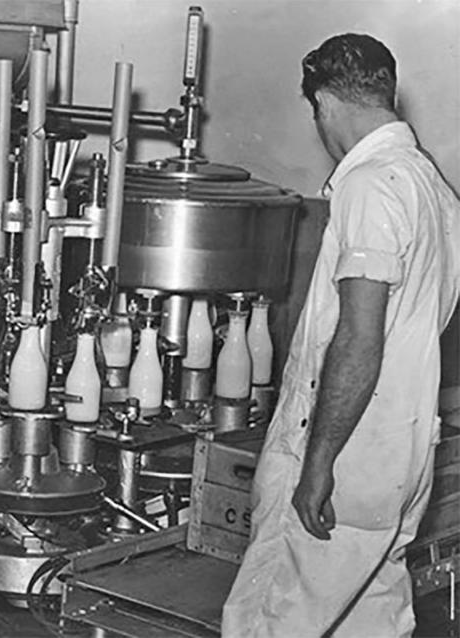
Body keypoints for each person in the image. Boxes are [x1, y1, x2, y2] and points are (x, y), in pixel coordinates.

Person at [222, 34, 460, 636]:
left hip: (347, 457)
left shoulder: (370, 183)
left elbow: (360, 335)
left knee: (271, 618)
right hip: (400, 457)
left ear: (324, 104)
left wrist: (318, 461)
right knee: (369, 620)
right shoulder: (432, 187)